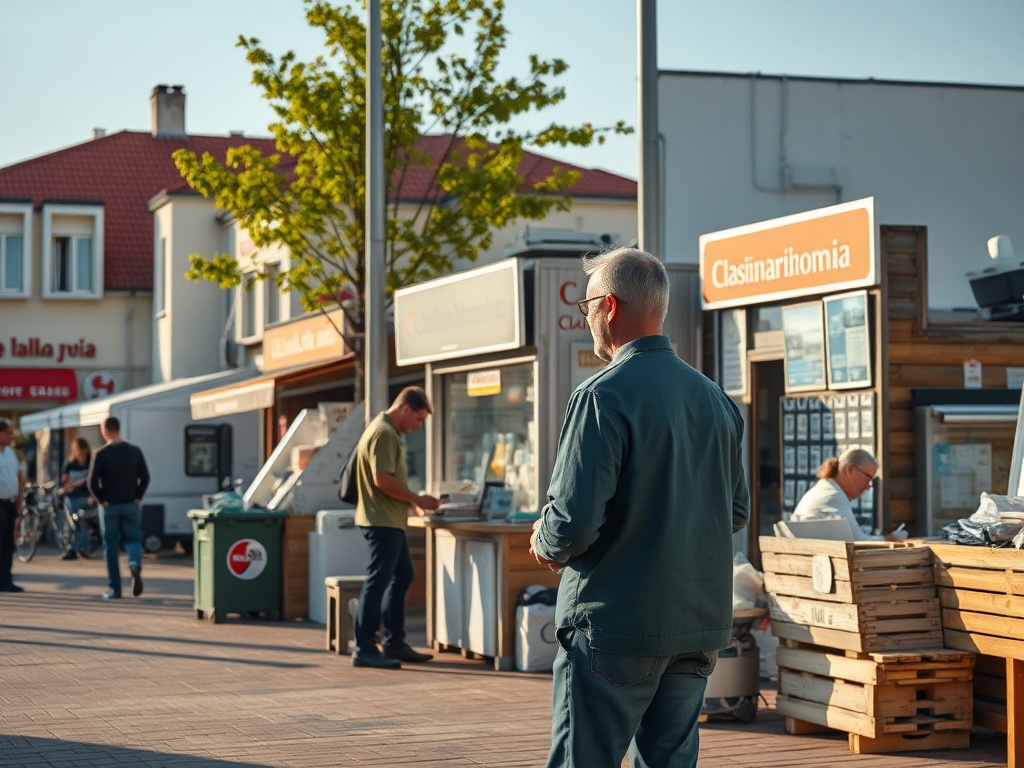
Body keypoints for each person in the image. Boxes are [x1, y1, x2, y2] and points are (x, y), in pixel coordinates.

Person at [529, 247, 750, 768]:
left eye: (585, 309)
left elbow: (571, 525)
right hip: (696, 625)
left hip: (614, 622)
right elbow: (734, 512)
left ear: (608, 306)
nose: (586, 321)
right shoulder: (714, 398)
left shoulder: (601, 396)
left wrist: (544, 538)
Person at [351, 386, 441, 669]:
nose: (417, 426)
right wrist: (417, 498)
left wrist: (410, 501)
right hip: (382, 521)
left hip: (387, 519)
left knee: (402, 576)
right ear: (405, 409)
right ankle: (365, 648)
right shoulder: (385, 433)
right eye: (418, 419)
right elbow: (382, 479)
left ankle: (394, 641)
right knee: (378, 582)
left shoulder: (384, 429)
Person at [87, 417, 150, 600]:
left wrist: (102, 499)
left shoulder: (101, 454)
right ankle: (134, 563)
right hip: (131, 504)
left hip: (110, 506)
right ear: (118, 429)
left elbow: (92, 481)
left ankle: (115, 589)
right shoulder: (134, 451)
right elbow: (145, 477)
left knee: (111, 546)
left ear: (105, 431)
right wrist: (138, 496)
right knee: (134, 540)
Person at [791, 448, 905, 541]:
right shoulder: (833, 495)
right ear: (849, 469)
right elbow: (858, 541)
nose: (869, 486)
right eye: (868, 478)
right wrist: (889, 539)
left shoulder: (825, 488)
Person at [60, 436, 97, 560]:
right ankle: (72, 549)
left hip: (85, 498)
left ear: (84, 449)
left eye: (76, 449)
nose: (75, 452)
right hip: (71, 498)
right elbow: (64, 480)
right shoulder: (70, 463)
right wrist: (65, 485)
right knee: (72, 523)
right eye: (73, 449)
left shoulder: (91, 462)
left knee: (83, 523)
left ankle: (83, 548)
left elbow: (92, 479)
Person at [0, 419, 26, 593]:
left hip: (10, 502)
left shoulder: (10, 452)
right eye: (8, 433)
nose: (11, 437)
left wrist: (19, 504)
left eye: (12, 433)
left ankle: (6, 579)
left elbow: (19, 477)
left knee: (9, 542)